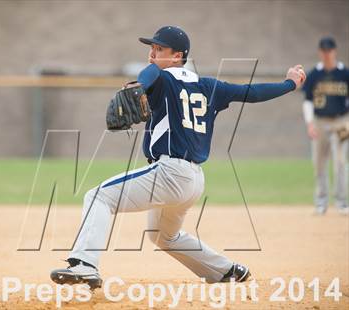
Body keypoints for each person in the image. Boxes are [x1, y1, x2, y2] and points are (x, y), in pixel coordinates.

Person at [50, 26, 306, 289]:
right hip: (193, 180)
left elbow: (148, 74)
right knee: (165, 237)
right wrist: (290, 84)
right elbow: (252, 93)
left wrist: (142, 83)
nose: (152, 54)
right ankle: (227, 271)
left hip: (169, 173)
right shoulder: (210, 86)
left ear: (177, 56)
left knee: (98, 196)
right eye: (151, 48)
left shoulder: (162, 79)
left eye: (159, 49)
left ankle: (85, 263)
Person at [302, 37, 349, 215]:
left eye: (329, 50)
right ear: (320, 52)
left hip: (342, 121)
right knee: (319, 163)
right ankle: (321, 202)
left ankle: (342, 202)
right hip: (320, 121)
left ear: (335, 51)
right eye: (324, 50)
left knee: (340, 161)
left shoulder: (344, 73)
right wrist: (310, 123)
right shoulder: (315, 74)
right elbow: (307, 101)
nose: (327, 54)